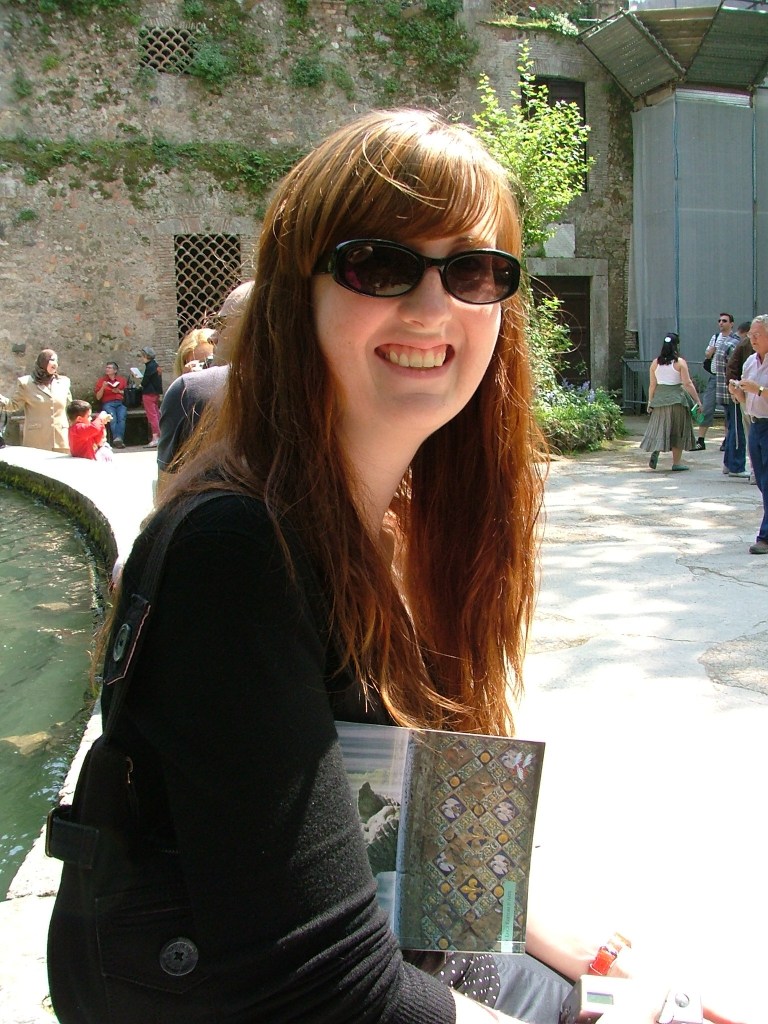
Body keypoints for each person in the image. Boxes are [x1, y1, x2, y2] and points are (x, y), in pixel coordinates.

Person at [48, 110, 733, 1024]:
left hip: (426, 956)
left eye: (474, 271)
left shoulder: (414, 524)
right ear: (296, 297)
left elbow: (414, 831)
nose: (433, 306)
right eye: (380, 264)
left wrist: (586, 959)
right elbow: (321, 987)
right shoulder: (233, 554)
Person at [156, 281, 253, 489]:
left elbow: (166, 497)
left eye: (221, 323)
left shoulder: (190, 392)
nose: (214, 336)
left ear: (252, 325)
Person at [729, 314, 768, 554]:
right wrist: (738, 392)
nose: (752, 339)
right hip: (755, 424)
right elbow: (746, 398)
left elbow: (759, 391)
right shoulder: (751, 362)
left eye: (757, 335)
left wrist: (759, 389)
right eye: (751, 335)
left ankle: (765, 537)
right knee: (761, 481)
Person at [640, 332, 700, 471]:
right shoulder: (680, 362)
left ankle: (657, 449)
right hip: (677, 400)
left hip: (660, 400)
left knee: (660, 427)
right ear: (676, 345)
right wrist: (697, 401)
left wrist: (650, 402)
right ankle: (676, 462)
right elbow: (687, 383)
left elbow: (652, 385)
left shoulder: (655, 363)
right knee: (677, 430)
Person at [0, 349, 72, 452]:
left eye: (56, 360)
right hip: (37, 440)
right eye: (51, 360)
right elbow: (14, 405)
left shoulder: (64, 382)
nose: (55, 364)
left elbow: (70, 407)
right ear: (43, 362)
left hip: (60, 440)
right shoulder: (26, 383)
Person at [695, 314, 739, 450]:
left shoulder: (734, 340)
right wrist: (712, 351)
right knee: (707, 407)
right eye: (719, 321)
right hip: (714, 377)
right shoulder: (715, 337)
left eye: (724, 321)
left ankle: (727, 440)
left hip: (727, 378)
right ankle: (700, 440)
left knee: (728, 410)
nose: (721, 323)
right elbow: (707, 354)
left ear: (731, 324)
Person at [726, 322, 755, 481]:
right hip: (745, 397)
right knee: (744, 432)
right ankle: (742, 468)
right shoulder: (745, 347)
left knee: (735, 429)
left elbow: (730, 366)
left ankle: (730, 464)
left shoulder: (742, 344)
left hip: (744, 395)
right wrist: (733, 388)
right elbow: (731, 367)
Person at [132, 345, 163, 448]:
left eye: (142, 356)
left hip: (148, 393)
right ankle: (160, 435)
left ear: (146, 356)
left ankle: (156, 438)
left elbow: (145, 382)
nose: (141, 358)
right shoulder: (156, 365)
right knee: (156, 414)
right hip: (155, 393)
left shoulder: (150, 366)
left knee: (152, 416)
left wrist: (139, 381)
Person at [94, 361, 127, 448]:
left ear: (115, 370)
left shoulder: (121, 380)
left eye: (109, 368)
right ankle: (118, 439)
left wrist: (119, 391)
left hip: (120, 403)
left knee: (122, 418)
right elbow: (98, 397)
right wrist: (103, 387)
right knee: (113, 418)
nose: (107, 369)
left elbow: (128, 393)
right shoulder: (102, 381)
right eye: (106, 367)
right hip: (108, 403)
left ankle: (118, 439)